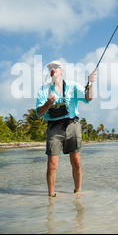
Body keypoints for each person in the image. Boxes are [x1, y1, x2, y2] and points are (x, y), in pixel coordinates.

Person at [36, 60, 97, 197]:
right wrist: (49, 103)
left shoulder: (72, 86)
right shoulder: (44, 90)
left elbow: (89, 98)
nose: (53, 70)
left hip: (72, 125)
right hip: (54, 127)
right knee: (52, 164)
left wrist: (91, 82)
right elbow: (39, 112)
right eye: (50, 68)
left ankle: (78, 193)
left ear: (61, 70)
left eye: (56, 67)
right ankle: (51, 196)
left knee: (76, 161)